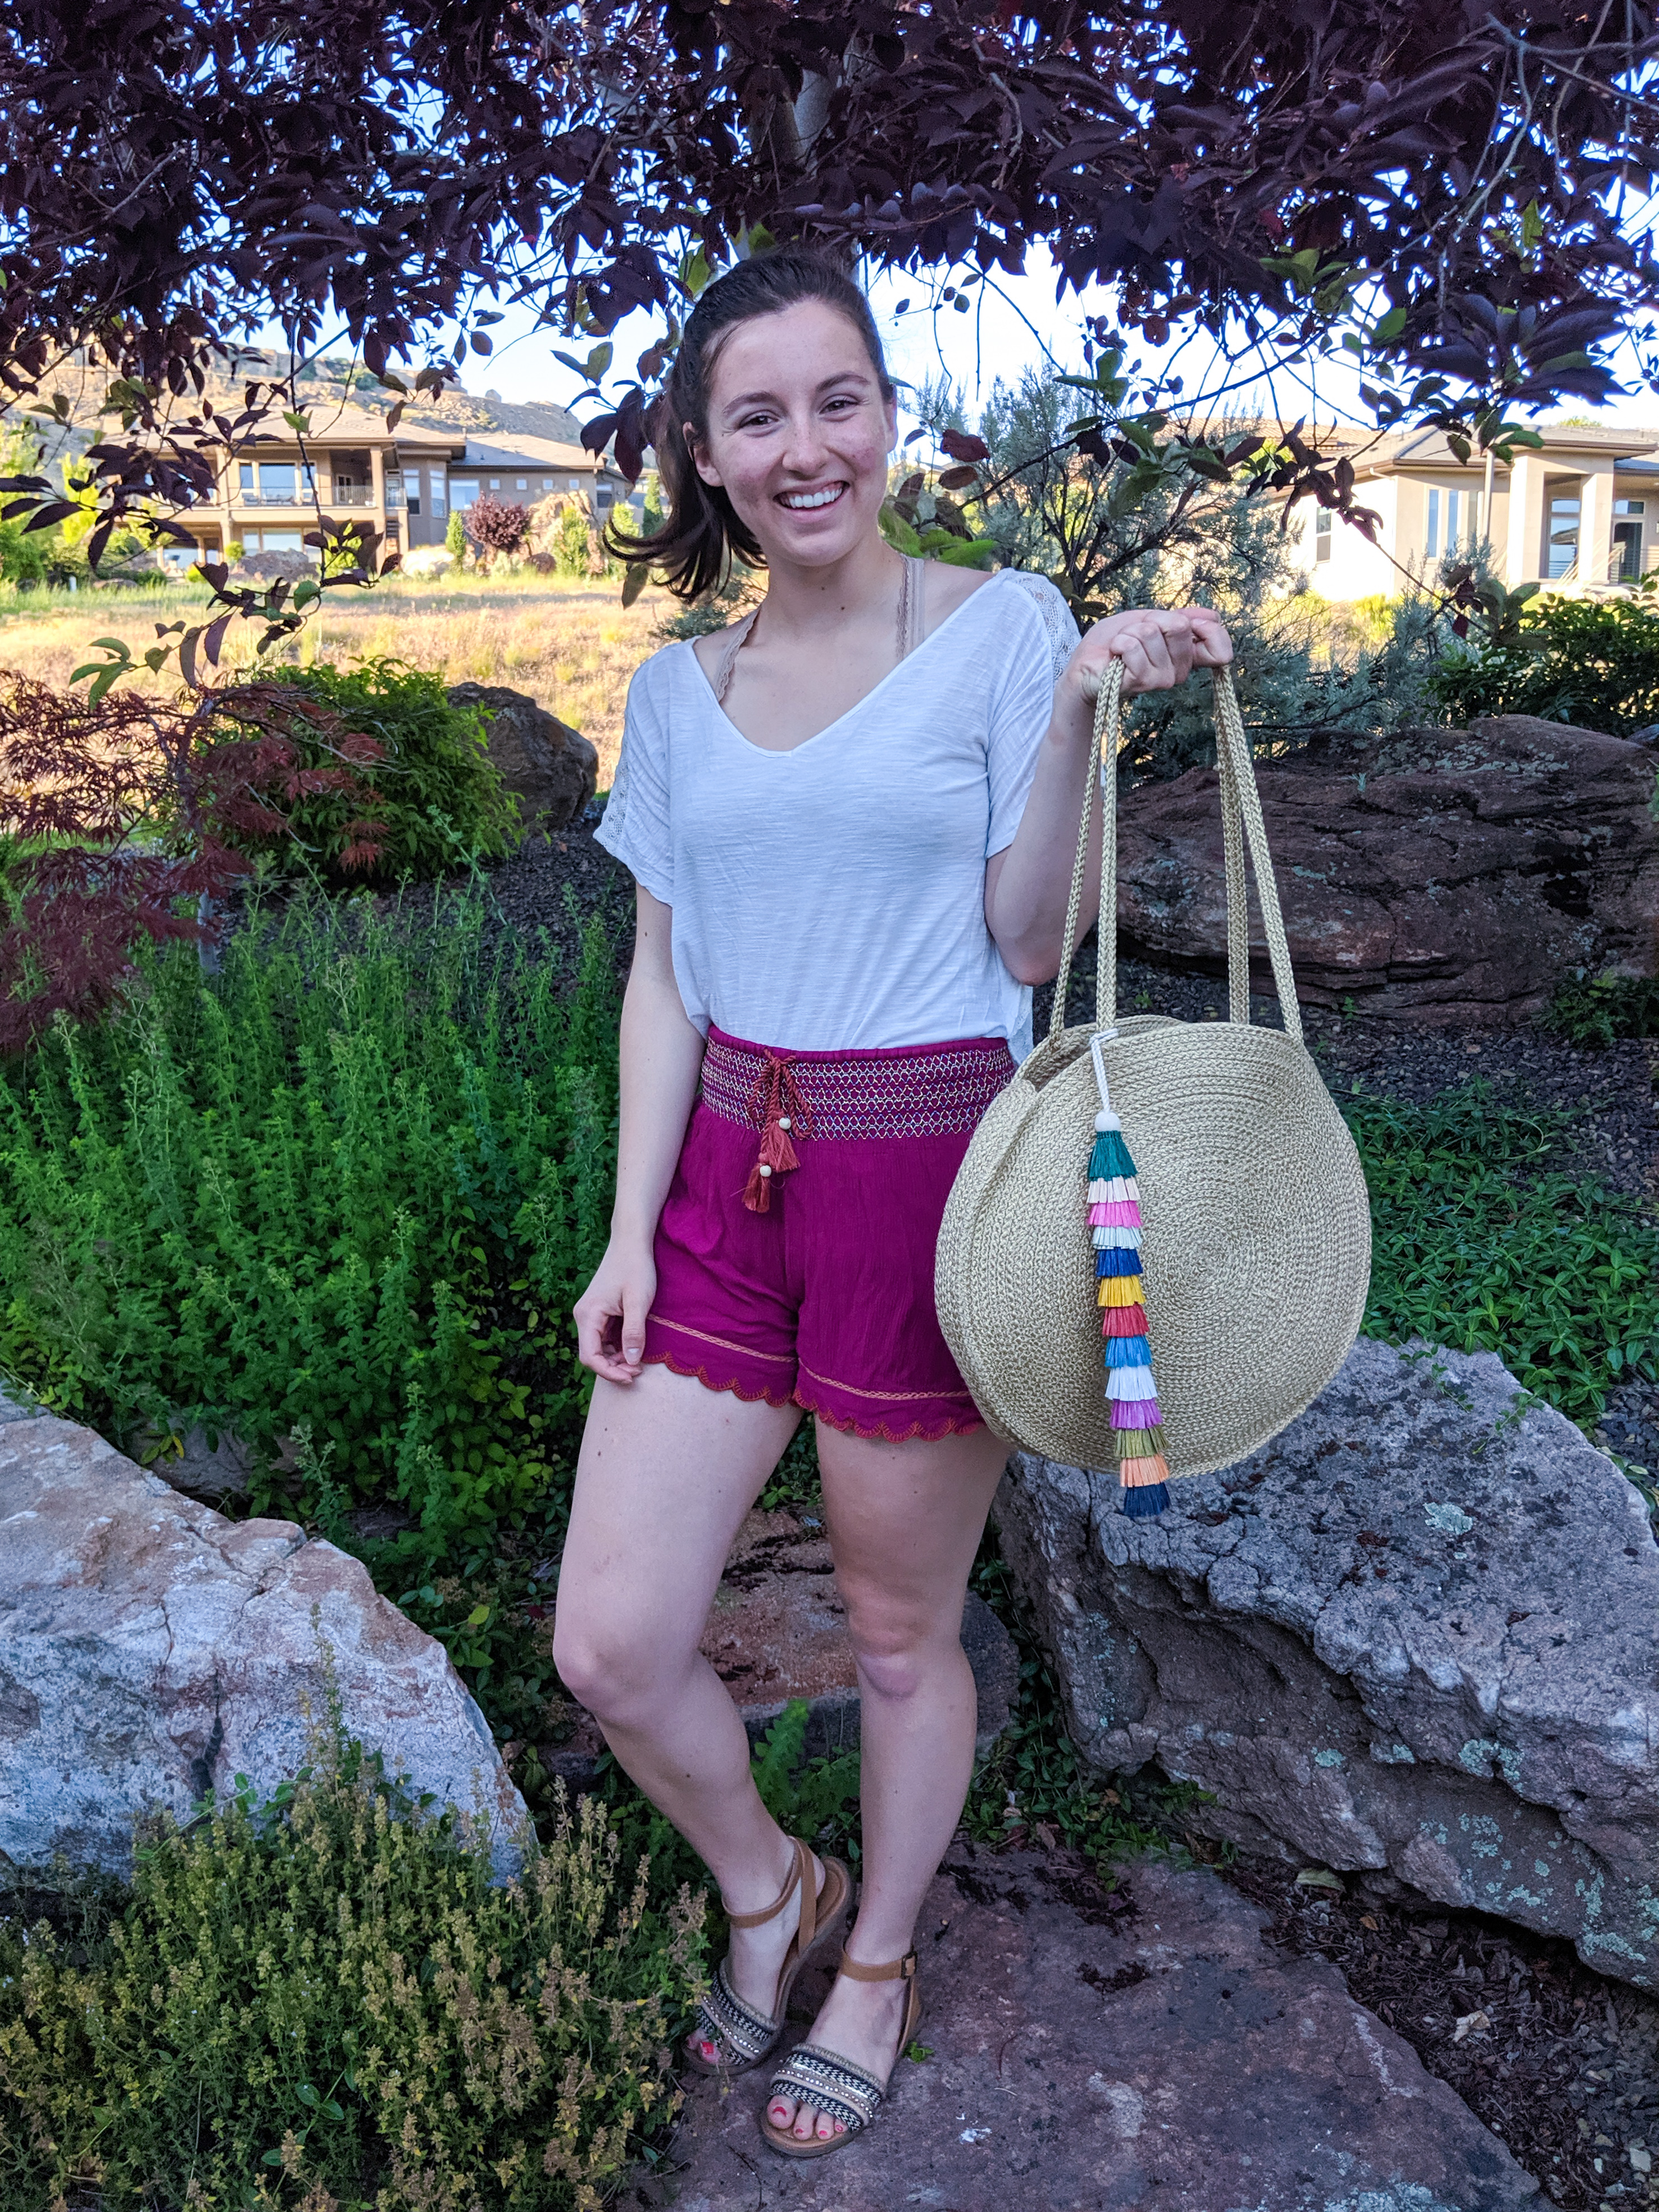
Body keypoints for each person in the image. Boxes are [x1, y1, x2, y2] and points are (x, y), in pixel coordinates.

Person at [553, 247, 1232, 2161]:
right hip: (721, 1186)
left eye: (833, 399)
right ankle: (776, 1889)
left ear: (886, 414)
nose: (803, 446)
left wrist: (1087, 711)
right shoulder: (676, 692)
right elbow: (661, 981)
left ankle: (880, 1957)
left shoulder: (1002, 623)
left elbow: (1024, 938)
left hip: (926, 1174)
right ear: (703, 450)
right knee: (608, 1641)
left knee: (889, 1628)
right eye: (754, 415)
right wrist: (626, 1230)